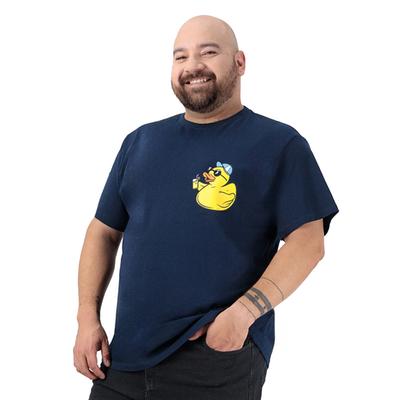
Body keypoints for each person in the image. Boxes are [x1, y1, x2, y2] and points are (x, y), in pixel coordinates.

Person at [73, 14, 339, 400]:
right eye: (180, 56)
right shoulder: (140, 142)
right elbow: (103, 231)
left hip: (216, 359)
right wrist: (87, 317)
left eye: (208, 52)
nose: (192, 66)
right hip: (124, 358)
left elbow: (308, 241)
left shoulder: (279, 144)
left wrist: (244, 314)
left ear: (239, 62)